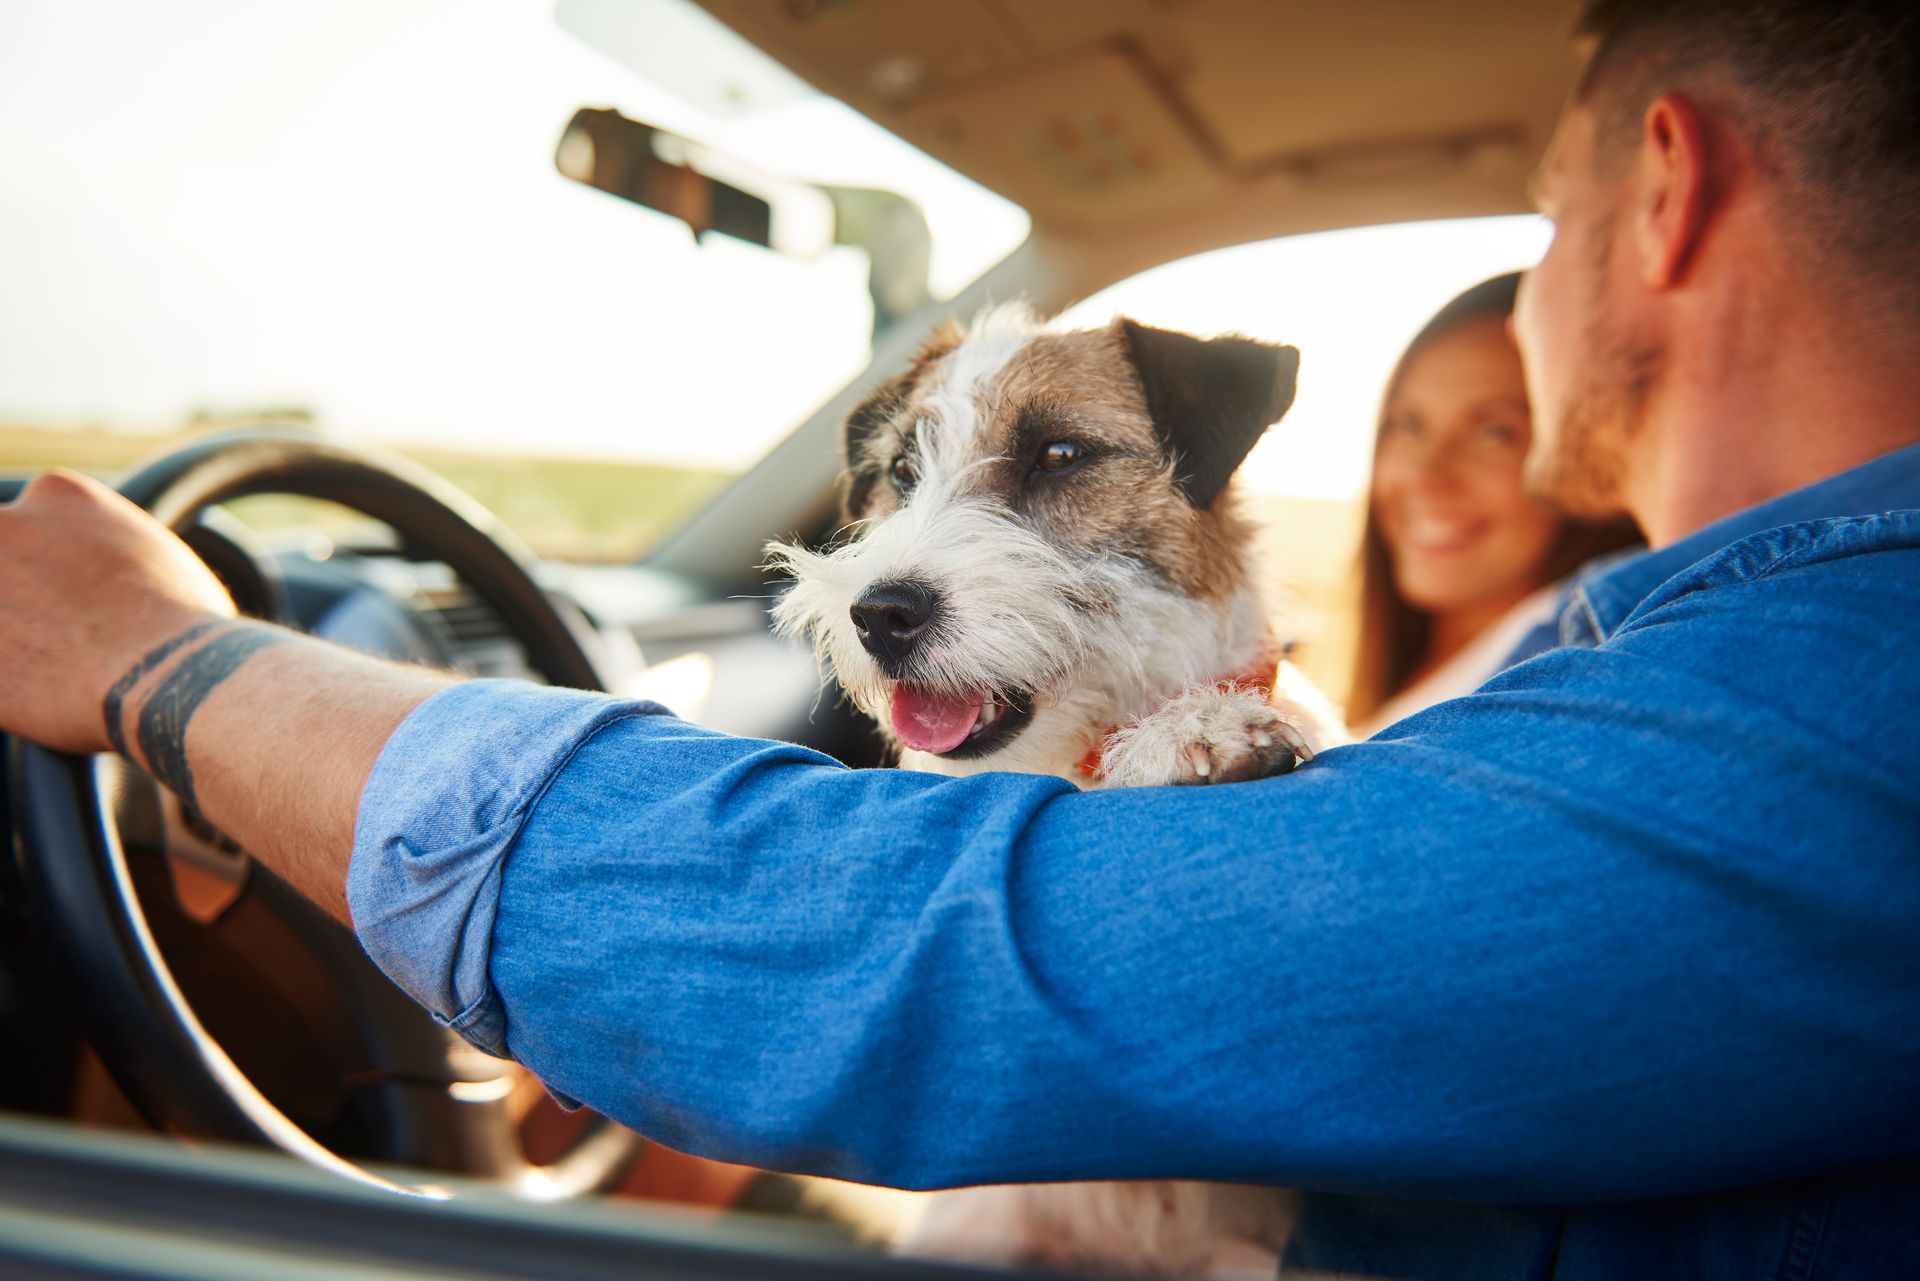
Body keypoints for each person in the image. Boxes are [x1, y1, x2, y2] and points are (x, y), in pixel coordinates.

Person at [1, 0, 1917, 1276]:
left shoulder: (1837, 711)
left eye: (1544, 203)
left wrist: (176, 668)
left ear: (1660, 194)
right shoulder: (1670, 672)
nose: (1520, 296)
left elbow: (979, 961)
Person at [1348, 272, 1639, 735]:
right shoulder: (1439, 665)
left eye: (1494, 433)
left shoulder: (1557, 672)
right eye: (1409, 425)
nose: (1426, 476)